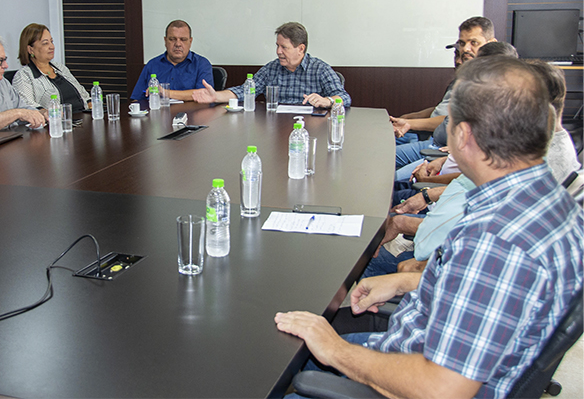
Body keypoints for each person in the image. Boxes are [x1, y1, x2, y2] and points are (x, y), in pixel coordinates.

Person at [275, 56, 583, 398]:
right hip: (422, 344)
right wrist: (408, 280)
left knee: (299, 361)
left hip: (418, 373)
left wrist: (335, 350)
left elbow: (441, 388)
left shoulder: (496, 239)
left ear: (463, 135)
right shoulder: (547, 203)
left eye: (451, 122)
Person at [391, 16, 497, 169]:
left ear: (491, 44)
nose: (465, 49)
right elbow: (441, 109)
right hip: (433, 139)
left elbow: (453, 120)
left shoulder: (489, 82)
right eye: (462, 43)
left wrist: (410, 123)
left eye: (473, 43)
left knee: (384, 160)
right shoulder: (467, 75)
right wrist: (407, 118)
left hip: (441, 147)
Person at [192, 22, 350, 107]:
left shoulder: (320, 69)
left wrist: (327, 100)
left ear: (301, 49)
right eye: (277, 46)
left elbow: (344, 97)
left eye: (284, 47)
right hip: (276, 128)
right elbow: (245, 91)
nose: (278, 51)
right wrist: (216, 96)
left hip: (308, 129)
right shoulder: (272, 68)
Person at [11, 23, 90, 112]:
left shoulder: (60, 68)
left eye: (51, 42)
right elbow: (26, 106)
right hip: (55, 123)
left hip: (83, 117)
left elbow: (83, 94)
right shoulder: (24, 76)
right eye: (45, 43)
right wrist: (46, 113)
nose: (52, 47)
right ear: (30, 49)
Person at [130, 20, 213, 102]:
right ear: (165, 41)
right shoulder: (152, 65)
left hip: (190, 114)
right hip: (157, 113)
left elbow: (204, 94)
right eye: (172, 39)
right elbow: (137, 99)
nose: (178, 44)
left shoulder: (202, 64)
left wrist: (165, 92)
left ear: (190, 42)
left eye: (183, 39)